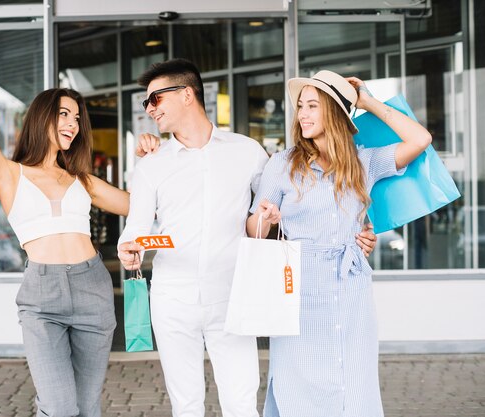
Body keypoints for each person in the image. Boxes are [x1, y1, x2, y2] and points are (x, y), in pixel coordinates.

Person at [117, 59, 379, 417]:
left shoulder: (248, 152)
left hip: (233, 295)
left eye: (155, 100)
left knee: (241, 402)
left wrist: (355, 232)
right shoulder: (151, 164)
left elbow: (292, 204)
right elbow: (135, 229)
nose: (149, 109)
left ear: (187, 95)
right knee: (186, 404)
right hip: (172, 297)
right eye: (147, 102)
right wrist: (129, 250)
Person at [0, 49, 131, 417]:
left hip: (93, 288)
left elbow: (137, 206)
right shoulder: (9, 174)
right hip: (42, 297)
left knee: (87, 406)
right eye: (63, 114)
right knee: (59, 406)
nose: (73, 123)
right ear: (42, 116)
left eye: (76, 117)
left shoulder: (82, 180)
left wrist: (153, 158)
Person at [247, 70, 432, 417]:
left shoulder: (363, 163)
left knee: (353, 381)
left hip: (351, 288)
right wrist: (268, 220)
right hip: (298, 289)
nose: (302, 113)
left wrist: (366, 102)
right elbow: (252, 225)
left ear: (335, 111)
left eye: (313, 105)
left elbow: (420, 139)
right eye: (300, 106)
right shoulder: (283, 164)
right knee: (298, 383)